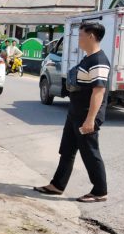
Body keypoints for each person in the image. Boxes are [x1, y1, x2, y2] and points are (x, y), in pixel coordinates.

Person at [33, 22, 110, 203]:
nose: (79, 39)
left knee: (90, 153)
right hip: (75, 113)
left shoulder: (99, 61)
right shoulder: (88, 58)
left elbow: (98, 92)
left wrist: (90, 119)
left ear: (91, 36)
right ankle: (57, 185)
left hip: (86, 116)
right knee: (67, 150)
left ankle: (100, 191)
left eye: (81, 35)